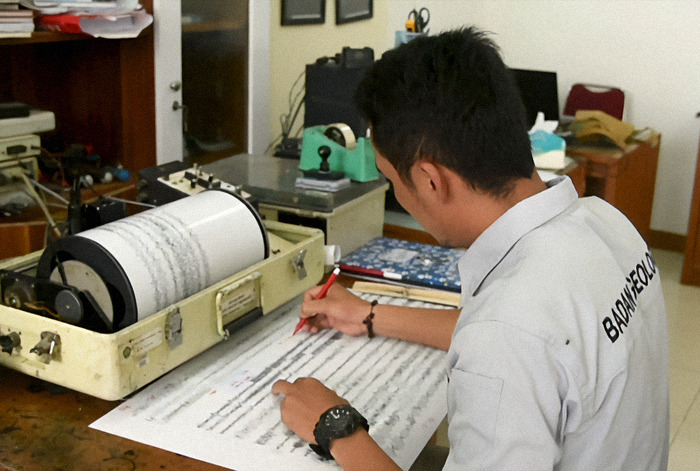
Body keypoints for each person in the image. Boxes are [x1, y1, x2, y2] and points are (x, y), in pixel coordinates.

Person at [272, 27, 670, 471]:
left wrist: (335, 426)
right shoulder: (605, 223)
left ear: (429, 180)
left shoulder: (509, 330)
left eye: (391, 180)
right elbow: (549, 343)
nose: (398, 195)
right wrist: (369, 315)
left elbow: (512, 338)